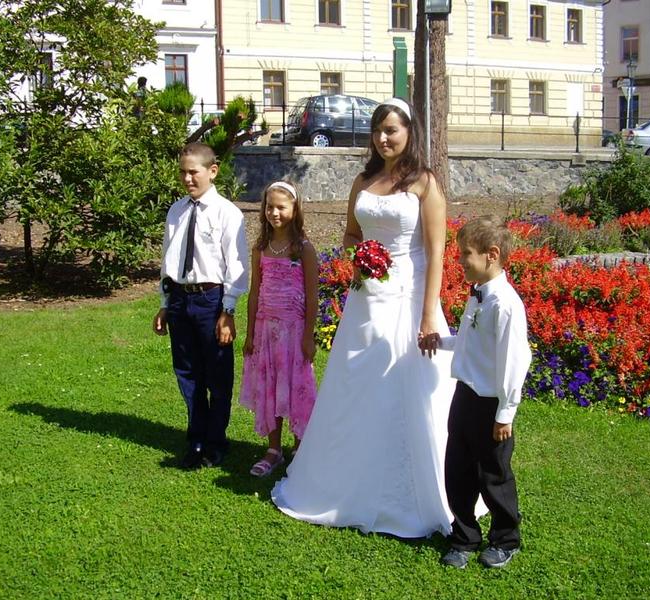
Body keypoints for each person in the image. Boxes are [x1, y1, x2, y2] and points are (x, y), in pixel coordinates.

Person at [271, 97, 457, 538]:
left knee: (405, 388)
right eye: (378, 131)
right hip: (366, 298)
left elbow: (436, 252)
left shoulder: (424, 183)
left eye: (391, 130)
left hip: (409, 297)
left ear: (409, 132)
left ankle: (412, 491)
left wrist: (428, 316)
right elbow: (352, 234)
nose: (383, 138)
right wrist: (361, 256)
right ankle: (343, 480)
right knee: (357, 383)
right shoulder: (363, 181)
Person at [438, 217, 531, 569]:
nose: (460, 260)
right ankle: (464, 536)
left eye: (466, 254)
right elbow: (472, 344)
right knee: (458, 469)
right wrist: (441, 342)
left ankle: (506, 538)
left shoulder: (505, 304)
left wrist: (505, 413)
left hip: (491, 403)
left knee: (494, 474)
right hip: (465, 395)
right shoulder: (478, 295)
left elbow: (514, 361)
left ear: (491, 255)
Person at [152, 142, 249, 470]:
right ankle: (196, 438)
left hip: (211, 300)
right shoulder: (176, 211)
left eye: (193, 172)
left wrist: (228, 310)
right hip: (180, 298)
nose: (187, 179)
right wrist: (165, 303)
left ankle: (216, 441)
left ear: (213, 171)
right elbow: (169, 259)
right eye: (182, 172)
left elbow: (236, 265)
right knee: (187, 371)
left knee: (217, 375)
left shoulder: (227, 213)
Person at [239, 180, 318, 477]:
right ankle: (274, 449)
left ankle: (300, 447)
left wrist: (308, 336)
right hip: (266, 332)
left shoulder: (303, 250)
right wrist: (250, 333)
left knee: (296, 389)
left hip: (294, 333)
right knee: (270, 388)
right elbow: (255, 293)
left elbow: (312, 296)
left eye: (281, 207)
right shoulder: (261, 248)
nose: (274, 213)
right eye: (269, 207)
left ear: (295, 209)